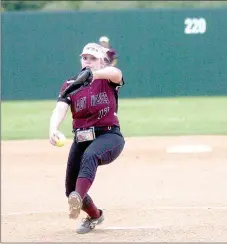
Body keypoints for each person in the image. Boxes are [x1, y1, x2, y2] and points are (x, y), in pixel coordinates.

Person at [49, 43, 125, 234]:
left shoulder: (107, 78)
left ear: (102, 61)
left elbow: (116, 73)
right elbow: (60, 108)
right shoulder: (70, 84)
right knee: (69, 190)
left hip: (109, 135)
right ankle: (95, 215)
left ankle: (78, 196)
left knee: (90, 156)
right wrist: (53, 129)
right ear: (80, 60)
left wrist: (95, 74)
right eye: (85, 58)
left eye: (93, 58)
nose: (88, 62)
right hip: (81, 139)